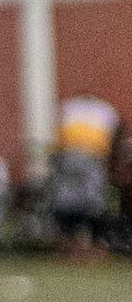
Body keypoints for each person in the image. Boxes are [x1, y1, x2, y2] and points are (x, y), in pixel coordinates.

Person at [50, 94, 119, 249]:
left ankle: (91, 243)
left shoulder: (72, 107)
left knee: (88, 201)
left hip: (86, 157)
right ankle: (74, 242)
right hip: (78, 157)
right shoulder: (101, 109)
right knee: (74, 200)